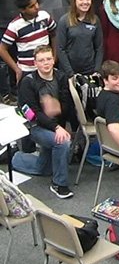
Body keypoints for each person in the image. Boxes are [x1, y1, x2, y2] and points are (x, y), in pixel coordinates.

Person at [11, 46, 73, 199]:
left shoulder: (61, 77)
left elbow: (67, 105)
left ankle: (15, 158)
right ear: (35, 63)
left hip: (55, 125)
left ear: (53, 60)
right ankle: (59, 184)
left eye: (48, 59)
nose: (46, 63)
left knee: (44, 169)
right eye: (41, 60)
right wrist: (56, 127)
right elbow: (33, 114)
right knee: (63, 143)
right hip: (35, 127)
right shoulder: (28, 82)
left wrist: (57, 108)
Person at [0, 0, 56, 83]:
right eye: (32, 6)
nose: (37, 7)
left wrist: (54, 57)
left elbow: (54, 34)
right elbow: (2, 49)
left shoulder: (44, 16)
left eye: (37, 3)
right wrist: (17, 69)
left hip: (46, 67)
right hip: (27, 70)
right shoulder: (15, 25)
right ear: (23, 10)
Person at [56, 0, 103, 77]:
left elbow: (99, 47)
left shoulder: (95, 20)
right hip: (69, 72)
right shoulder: (64, 20)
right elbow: (60, 49)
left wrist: (96, 70)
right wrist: (70, 73)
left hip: (89, 71)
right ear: (74, 1)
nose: (85, 2)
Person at [0, 0, 24, 100]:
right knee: (3, 63)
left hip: (17, 26)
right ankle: (4, 92)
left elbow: (23, 2)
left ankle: (16, 91)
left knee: (16, 60)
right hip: (1, 27)